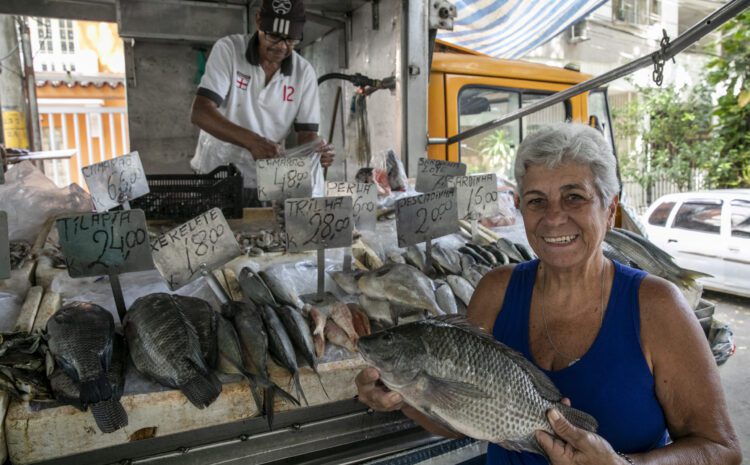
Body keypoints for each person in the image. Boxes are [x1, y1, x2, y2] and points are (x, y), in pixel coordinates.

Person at [355, 123, 742, 465]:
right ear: (521, 209)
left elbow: (720, 449)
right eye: (538, 200)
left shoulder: (657, 306)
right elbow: (465, 420)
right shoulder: (497, 290)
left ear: (610, 210)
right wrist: (400, 397)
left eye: (575, 197)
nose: (554, 217)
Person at [190, 0, 334, 206]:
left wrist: (317, 151)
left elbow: (306, 135)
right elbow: (200, 112)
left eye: (291, 39)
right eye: (274, 36)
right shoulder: (229, 50)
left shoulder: (304, 73)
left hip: (268, 180)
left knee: (263, 234)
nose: (282, 47)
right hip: (217, 174)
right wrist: (253, 142)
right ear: (258, 21)